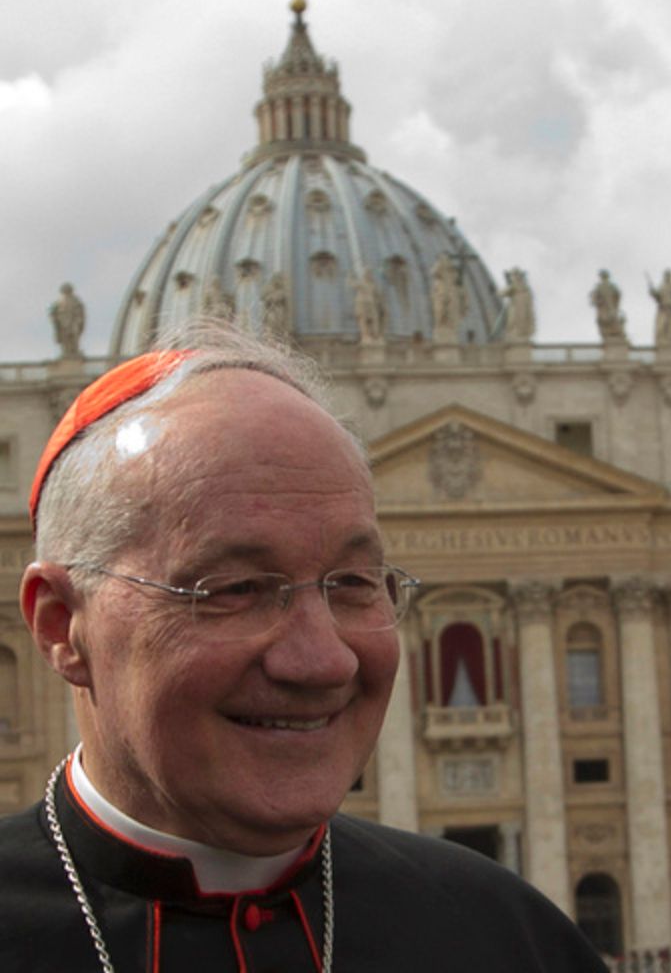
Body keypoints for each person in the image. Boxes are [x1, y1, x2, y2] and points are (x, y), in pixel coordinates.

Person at [0, 322, 607, 972]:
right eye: (234, 589)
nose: (324, 662)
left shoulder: (512, 938)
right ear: (62, 625)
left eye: (353, 583)